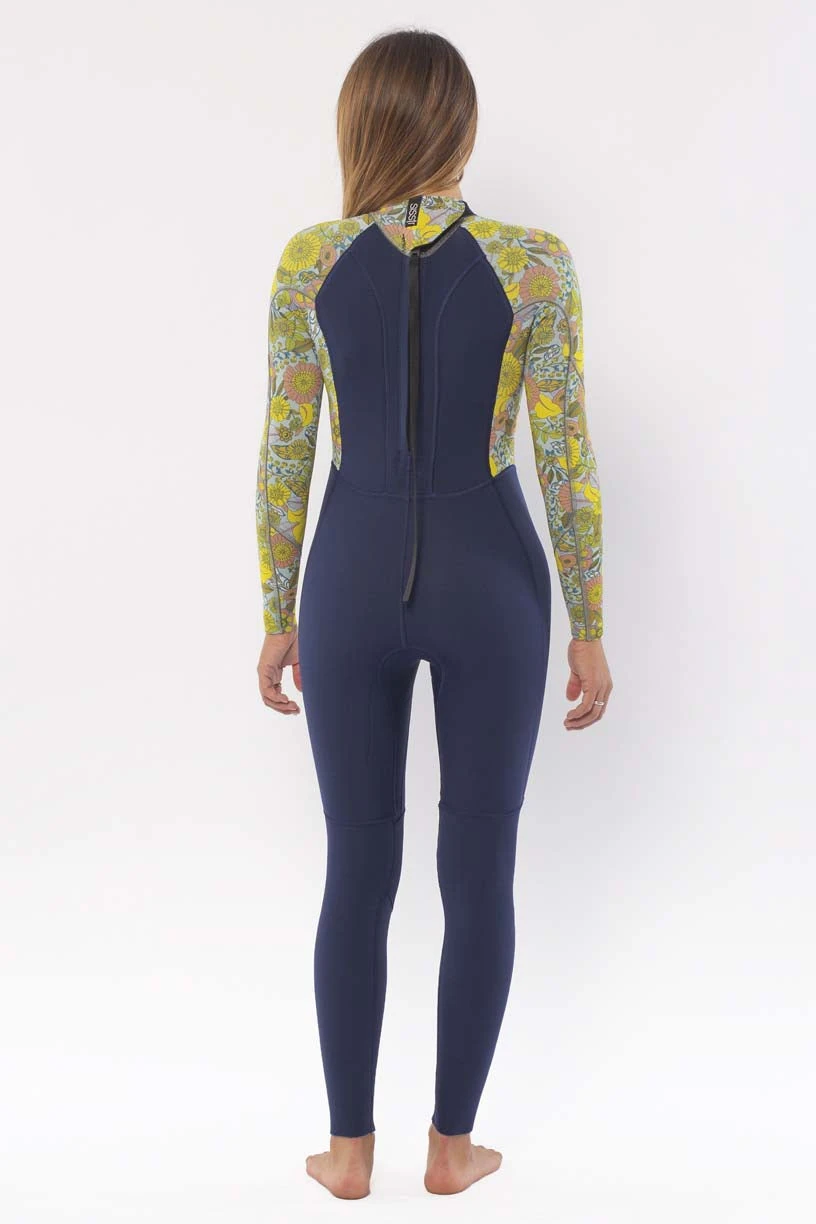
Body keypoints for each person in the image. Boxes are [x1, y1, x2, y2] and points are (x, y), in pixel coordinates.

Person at [255, 27, 613, 1199]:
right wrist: (591, 621)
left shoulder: (309, 262)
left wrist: (277, 606)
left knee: (356, 865)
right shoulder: (535, 264)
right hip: (491, 585)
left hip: (347, 581)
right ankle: (452, 1149)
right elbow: (564, 457)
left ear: (358, 126)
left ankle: (348, 1153)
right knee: (480, 867)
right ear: (460, 126)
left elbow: (286, 453)